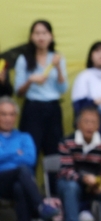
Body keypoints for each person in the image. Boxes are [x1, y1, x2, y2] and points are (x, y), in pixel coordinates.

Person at [14, 20, 67, 192]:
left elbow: (62, 88)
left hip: (52, 109)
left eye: (44, 33)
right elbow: (18, 91)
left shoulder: (57, 58)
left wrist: (58, 68)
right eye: (37, 33)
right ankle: (31, 199)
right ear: (31, 37)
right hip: (33, 109)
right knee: (31, 153)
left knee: (54, 154)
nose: (41, 37)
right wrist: (30, 80)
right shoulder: (24, 59)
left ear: (51, 36)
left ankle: (54, 199)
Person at [0, 96, 61, 221]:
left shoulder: (24, 137)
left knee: (19, 186)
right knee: (22, 170)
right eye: (3, 114)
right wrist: (16, 153)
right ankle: (40, 206)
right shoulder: (22, 142)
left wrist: (5, 155)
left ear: (16, 117)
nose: (8, 118)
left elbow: (31, 159)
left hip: (16, 181)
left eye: (11, 114)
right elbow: (23, 160)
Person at [71, 41, 101, 142]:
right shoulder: (84, 77)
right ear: (91, 55)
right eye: (97, 51)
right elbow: (78, 106)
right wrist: (95, 103)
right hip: (92, 127)